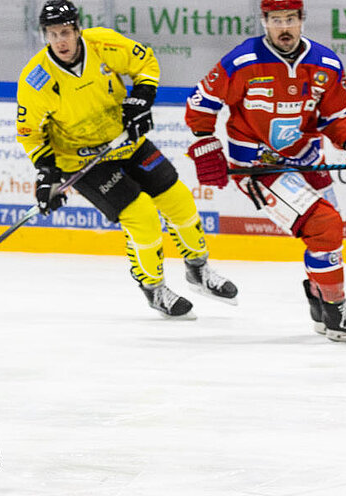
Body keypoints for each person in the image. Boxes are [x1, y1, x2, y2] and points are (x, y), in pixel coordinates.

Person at [16, 0, 237, 319]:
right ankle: (154, 288)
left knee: (181, 202)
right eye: (52, 34)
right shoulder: (35, 80)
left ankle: (198, 270)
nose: (60, 41)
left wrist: (141, 100)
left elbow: (145, 62)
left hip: (127, 143)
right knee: (144, 220)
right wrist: (47, 175)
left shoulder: (103, 43)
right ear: (44, 36)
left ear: (78, 29)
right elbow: (30, 134)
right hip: (82, 161)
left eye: (65, 32)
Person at [185, 0, 346, 343]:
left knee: (327, 237)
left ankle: (322, 305)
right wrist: (207, 142)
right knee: (324, 224)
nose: (284, 27)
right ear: (264, 21)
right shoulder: (242, 61)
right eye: (276, 20)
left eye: (290, 19)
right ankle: (337, 313)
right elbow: (201, 103)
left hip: (308, 161)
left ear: (301, 20)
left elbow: (337, 118)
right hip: (258, 168)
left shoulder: (325, 63)